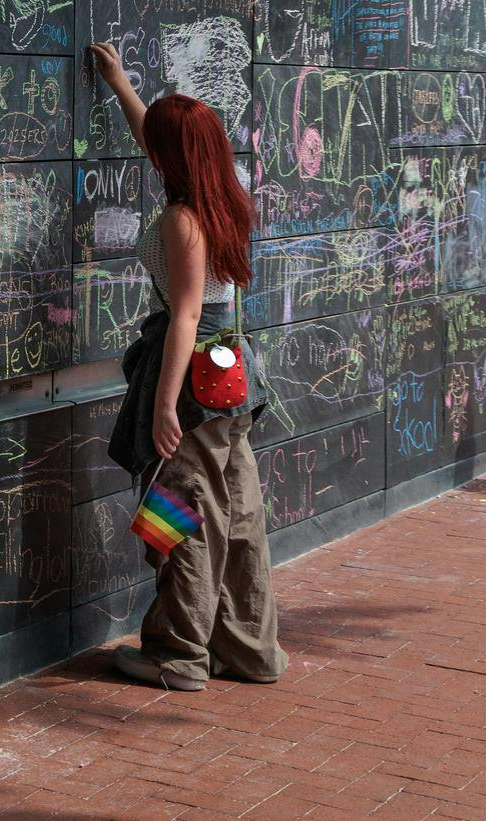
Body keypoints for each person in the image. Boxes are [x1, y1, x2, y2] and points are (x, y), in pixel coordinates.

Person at [89, 41, 287, 693]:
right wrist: (121, 83)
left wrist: (164, 406)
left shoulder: (182, 218)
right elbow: (157, 133)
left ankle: (178, 652)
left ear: (176, 158)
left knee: (178, 511)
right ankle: (249, 646)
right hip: (233, 385)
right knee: (240, 513)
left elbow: (184, 316)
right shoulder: (222, 196)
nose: (152, 149)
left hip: (194, 388)